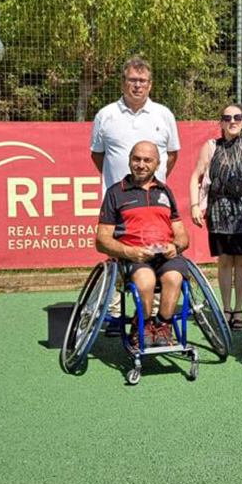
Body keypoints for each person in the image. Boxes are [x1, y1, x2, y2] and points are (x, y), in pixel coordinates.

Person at [96, 141, 190, 348]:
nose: (141, 164)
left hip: (164, 256)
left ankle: (162, 325)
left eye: (147, 160)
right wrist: (129, 252)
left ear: (157, 164)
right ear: (129, 161)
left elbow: (182, 235)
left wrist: (176, 246)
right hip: (133, 257)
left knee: (174, 277)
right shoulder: (115, 192)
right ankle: (143, 325)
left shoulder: (165, 192)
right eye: (136, 159)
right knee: (146, 280)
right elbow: (102, 240)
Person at [188, 104, 242, 330]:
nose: (233, 121)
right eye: (227, 117)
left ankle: (238, 310)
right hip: (219, 210)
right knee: (224, 262)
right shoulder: (211, 146)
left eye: (238, 117)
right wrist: (194, 205)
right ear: (221, 122)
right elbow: (196, 177)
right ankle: (225, 308)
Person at [91, 57, 180, 192]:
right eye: (132, 80)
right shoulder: (104, 115)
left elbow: (172, 155)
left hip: (154, 198)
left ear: (150, 85)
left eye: (143, 80)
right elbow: (97, 155)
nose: (137, 85)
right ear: (122, 83)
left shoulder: (164, 115)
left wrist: (152, 179)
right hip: (116, 200)